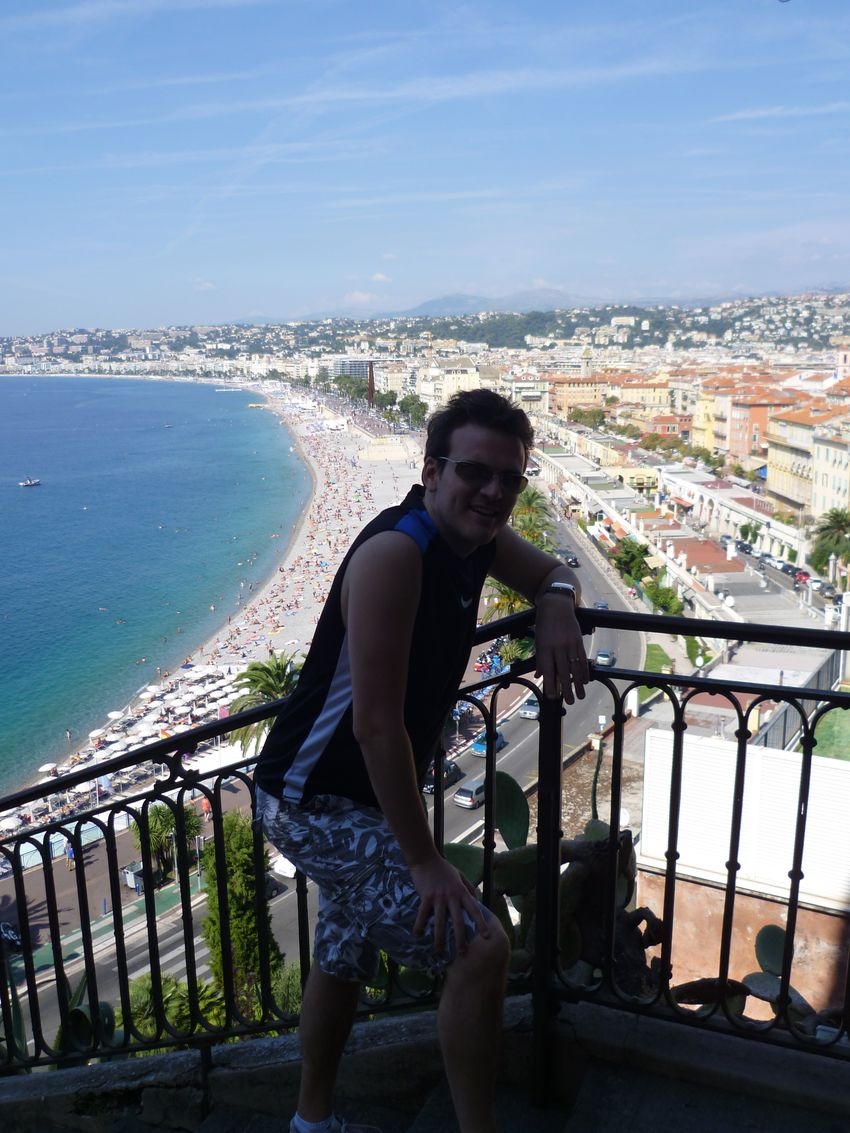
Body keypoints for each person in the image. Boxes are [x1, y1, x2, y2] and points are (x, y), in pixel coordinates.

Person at [254, 390, 588, 1133]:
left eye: (510, 479)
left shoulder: (476, 537)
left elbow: (552, 572)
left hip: (358, 797)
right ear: (432, 470)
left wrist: (557, 601)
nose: (494, 491)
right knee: (480, 948)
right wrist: (424, 861)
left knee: (343, 954)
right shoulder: (397, 554)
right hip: (311, 799)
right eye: (475, 472)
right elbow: (376, 727)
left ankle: (311, 1122)